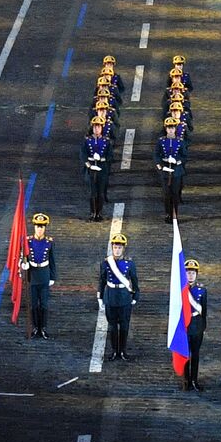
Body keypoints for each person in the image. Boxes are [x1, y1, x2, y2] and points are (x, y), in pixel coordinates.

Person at [98, 232, 139, 361]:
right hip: (110, 296)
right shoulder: (106, 263)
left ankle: (123, 350)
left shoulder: (129, 264)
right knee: (113, 326)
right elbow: (102, 280)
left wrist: (135, 296)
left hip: (124, 297)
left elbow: (135, 281)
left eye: (119, 247)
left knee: (125, 326)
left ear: (123, 249)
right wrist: (100, 296)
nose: (117, 250)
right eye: (115, 247)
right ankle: (115, 350)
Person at [20, 213, 55, 339]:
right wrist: (24, 265)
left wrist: (52, 277)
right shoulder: (28, 241)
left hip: (44, 274)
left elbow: (52, 261)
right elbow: (23, 256)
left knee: (44, 304)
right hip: (33, 275)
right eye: (38, 226)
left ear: (45, 228)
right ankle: (35, 327)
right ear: (34, 227)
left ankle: (43, 328)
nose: (40, 229)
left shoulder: (49, 242)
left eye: (42, 226)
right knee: (34, 304)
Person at [152, 116, 187, 222]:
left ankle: (175, 213)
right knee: (166, 194)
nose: (171, 130)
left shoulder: (180, 141)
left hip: (176, 171)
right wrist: (159, 164)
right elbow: (156, 154)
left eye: (172, 128)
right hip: (165, 169)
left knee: (175, 194)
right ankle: (168, 213)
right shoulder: (161, 141)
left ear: (175, 129)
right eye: (169, 128)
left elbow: (184, 155)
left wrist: (177, 161)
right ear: (166, 129)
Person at [182, 258, 207, 391]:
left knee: (195, 354)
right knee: (185, 354)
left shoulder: (202, 290)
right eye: (188, 272)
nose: (190, 275)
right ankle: (186, 380)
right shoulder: (180, 289)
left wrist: (203, 327)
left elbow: (204, 310)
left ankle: (194, 380)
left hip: (196, 324)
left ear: (196, 274)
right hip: (184, 325)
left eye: (193, 273)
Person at [81, 115, 112, 221]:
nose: (96, 129)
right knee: (92, 192)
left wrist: (102, 159)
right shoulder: (87, 140)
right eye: (95, 127)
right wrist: (89, 165)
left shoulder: (106, 141)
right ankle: (92, 212)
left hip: (101, 167)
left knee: (101, 192)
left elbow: (110, 155)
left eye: (98, 127)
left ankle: (99, 213)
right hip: (90, 167)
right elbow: (83, 154)